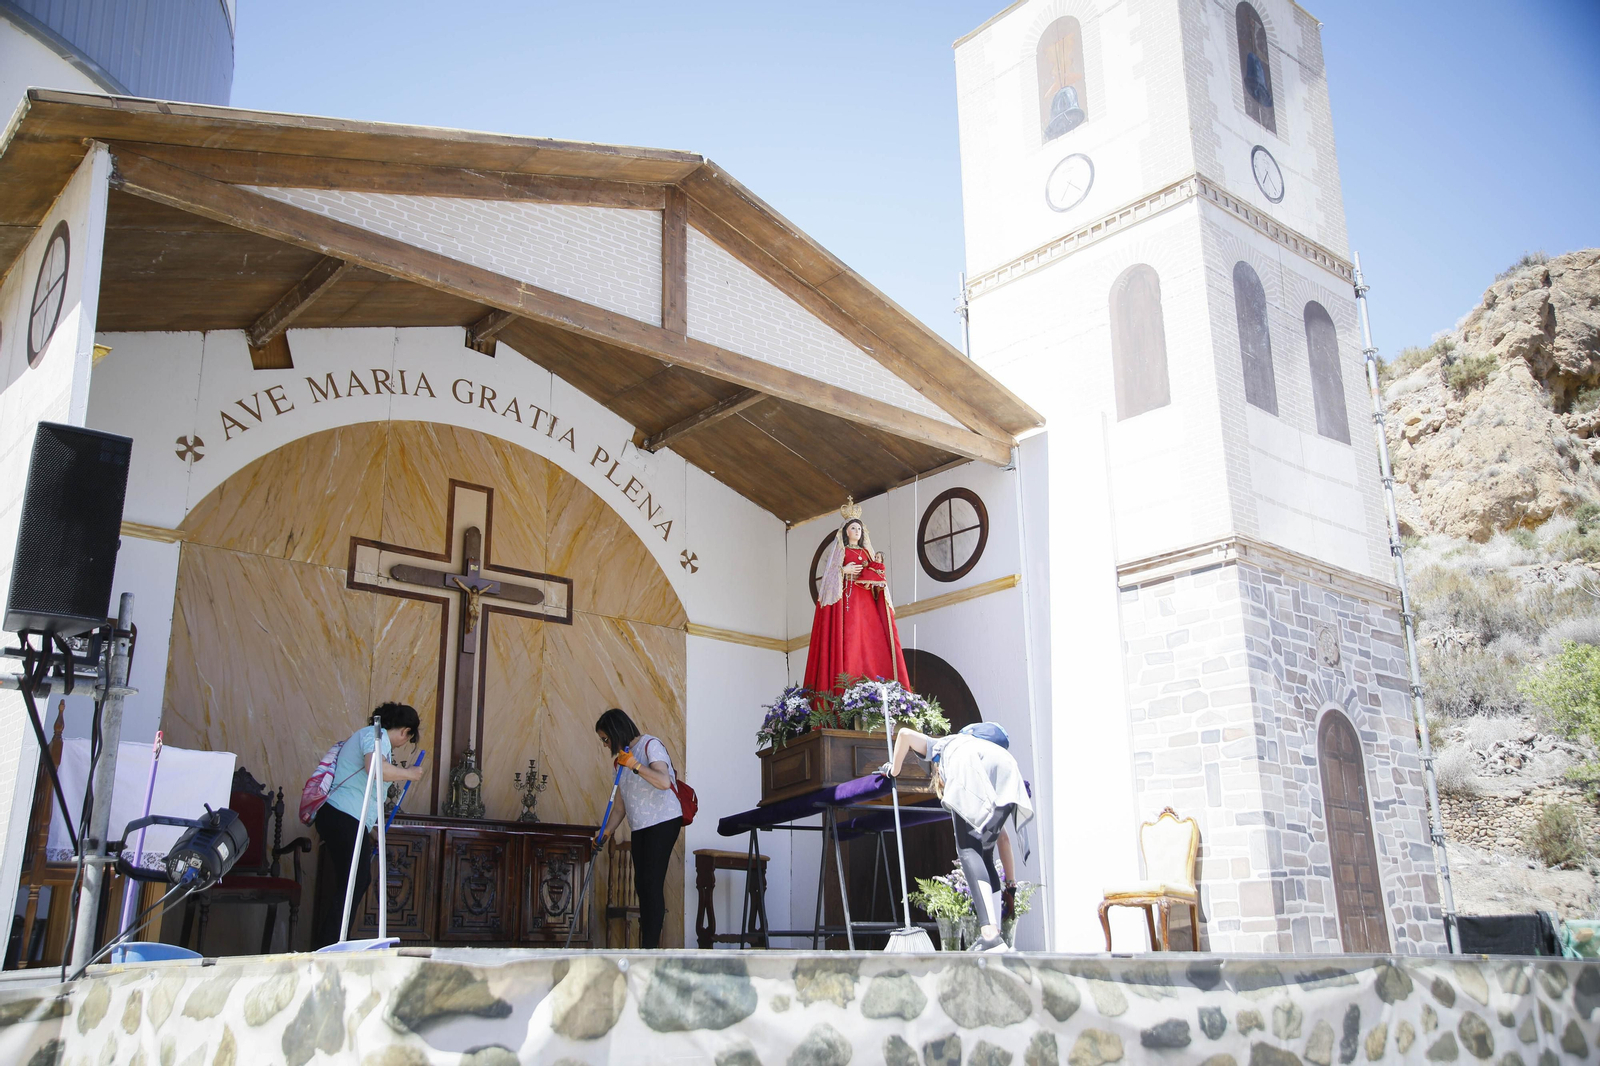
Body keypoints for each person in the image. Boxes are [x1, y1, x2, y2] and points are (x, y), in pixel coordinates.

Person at [884, 721, 1033, 952]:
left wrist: (893, 769)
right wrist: (1010, 885)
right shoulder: (992, 751)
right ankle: (996, 937)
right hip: (1009, 772)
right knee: (985, 853)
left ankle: (989, 935)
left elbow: (904, 734)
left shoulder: (948, 744)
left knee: (968, 850)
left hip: (969, 768)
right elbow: (1003, 839)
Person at [310, 702, 426, 949]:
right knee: (357, 880)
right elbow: (375, 769)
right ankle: (330, 945)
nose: (404, 742)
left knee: (352, 881)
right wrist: (410, 773)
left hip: (344, 818)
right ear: (405, 731)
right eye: (408, 737)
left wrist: (370, 830)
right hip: (342, 816)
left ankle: (331, 942)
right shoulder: (376, 736)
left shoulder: (372, 737)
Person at [802, 498, 911, 698]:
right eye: (853, 528)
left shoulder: (866, 552)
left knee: (870, 638)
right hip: (848, 600)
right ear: (846, 532)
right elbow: (829, 577)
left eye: (859, 528)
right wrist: (844, 570)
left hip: (865, 599)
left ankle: (876, 680)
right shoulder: (841, 552)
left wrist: (874, 578)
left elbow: (873, 572)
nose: (857, 531)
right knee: (850, 640)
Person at [593, 708, 681, 949]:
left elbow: (663, 781)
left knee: (651, 882)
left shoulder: (650, 745)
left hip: (663, 821)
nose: (605, 744)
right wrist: (605, 832)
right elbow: (619, 807)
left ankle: (649, 949)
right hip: (640, 825)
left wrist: (635, 765)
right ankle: (647, 945)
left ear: (615, 731)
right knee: (642, 885)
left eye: (605, 739)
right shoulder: (620, 762)